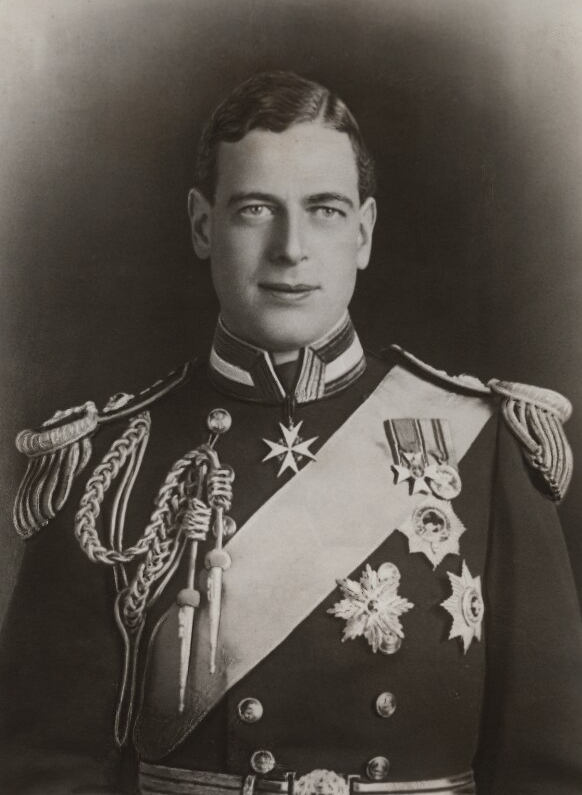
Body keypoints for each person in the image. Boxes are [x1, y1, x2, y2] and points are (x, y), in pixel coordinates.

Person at [1, 70, 581, 795]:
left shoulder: (484, 442)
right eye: (255, 209)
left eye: (325, 210)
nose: (291, 248)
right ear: (202, 225)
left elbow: (547, 768)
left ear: (363, 233)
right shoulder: (107, 460)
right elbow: (46, 765)